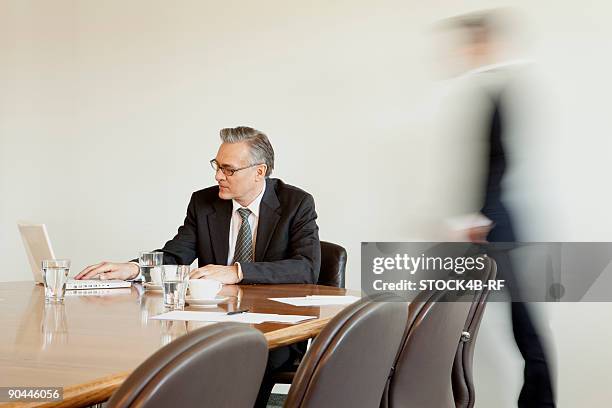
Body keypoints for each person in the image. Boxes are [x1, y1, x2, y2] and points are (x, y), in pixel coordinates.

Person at [76, 126, 321, 407]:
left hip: (272, 330)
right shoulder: (204, 202)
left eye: (229, 170)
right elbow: (176, 254)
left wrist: (236, 271)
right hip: (209, 323)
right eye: (217, 166)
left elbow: (306, 267)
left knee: (235, 373)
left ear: (259, 171)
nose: (218, 176)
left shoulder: (296, 203)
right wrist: (132, 269)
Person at [437, 11, 556, 407]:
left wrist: (480, 217)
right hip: (496, 218)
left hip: (498, 220)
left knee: (520, 320)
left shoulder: (500, 89)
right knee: (499, 317)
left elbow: (499, 160)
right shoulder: (489, 89)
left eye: (472, 42)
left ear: (485, 42)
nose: (465, 51)